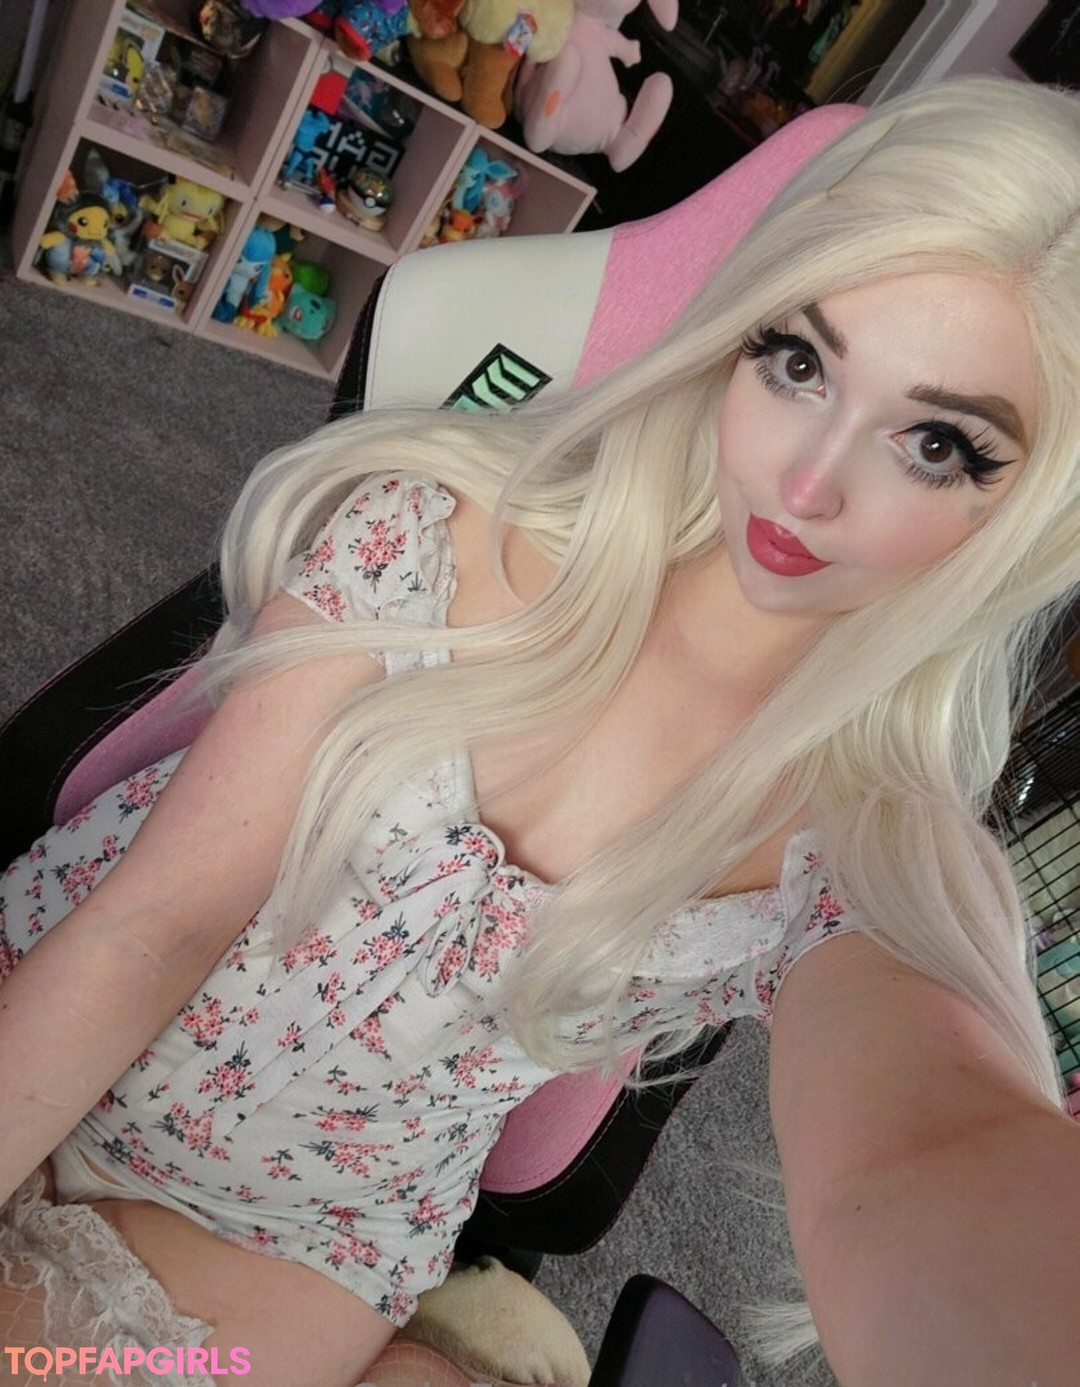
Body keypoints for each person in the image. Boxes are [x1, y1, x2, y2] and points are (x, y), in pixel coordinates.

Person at [1, 73, 1079, 1386]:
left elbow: (926, 1149)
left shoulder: (854, 843)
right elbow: (156, 923)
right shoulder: (447, 527)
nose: (807, 483)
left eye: (938, 444)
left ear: (1029, 515)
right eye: (800, 363)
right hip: (60, 1006)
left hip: (291, 1251)